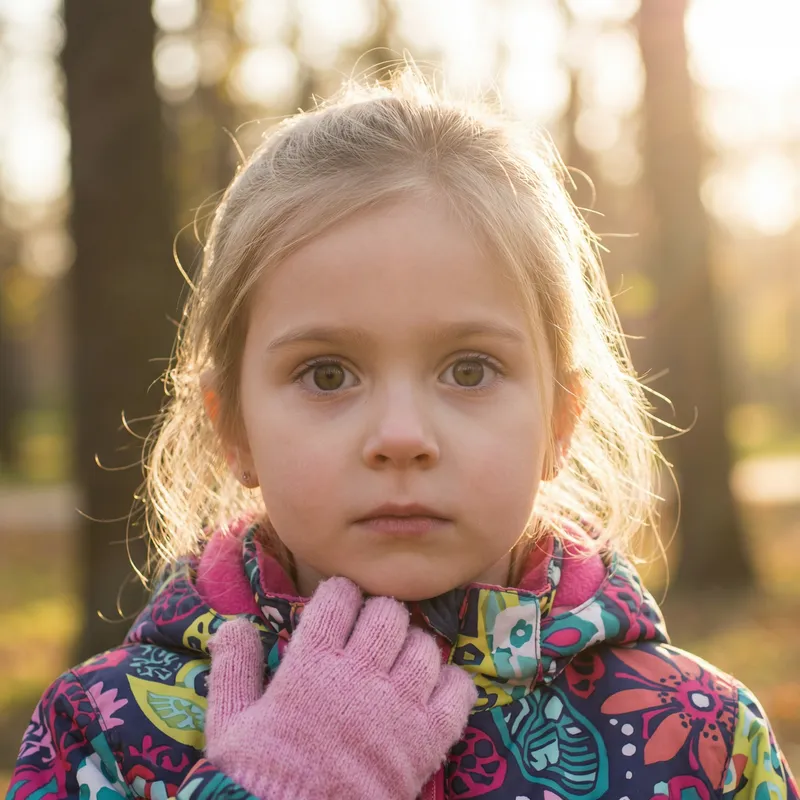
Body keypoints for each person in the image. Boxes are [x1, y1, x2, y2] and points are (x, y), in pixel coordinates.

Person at [8, 65, 798, 800]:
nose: (401, 436)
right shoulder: (108, 731)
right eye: (327, 374)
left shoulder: (696, 737)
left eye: (469, 370)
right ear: (236, 429)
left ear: (562, 417)